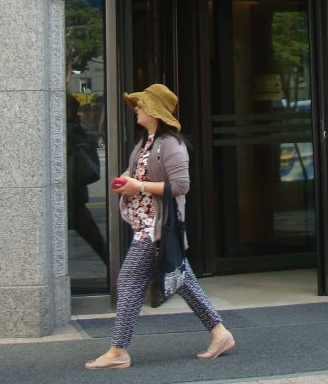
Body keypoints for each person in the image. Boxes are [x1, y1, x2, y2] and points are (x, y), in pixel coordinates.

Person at [85, 83, 235, 370]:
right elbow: (137, 175)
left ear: (154, 111)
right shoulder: (146, 142)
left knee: (128, 282)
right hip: (144, 224)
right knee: (182, 280)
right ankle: (219, 332)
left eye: (141, 105)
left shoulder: (171, 145)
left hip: (157, 228)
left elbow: (181, 186)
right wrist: (126, 182)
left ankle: (118, 351)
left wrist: (138, 185)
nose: (137, 109)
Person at [66, 96, 108, 265]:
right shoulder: (76, 127)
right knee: (94, 236)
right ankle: (113, 266)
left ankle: (114, 268)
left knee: (94, 236)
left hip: (73, 194)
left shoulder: (72, 128)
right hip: (75, 194)